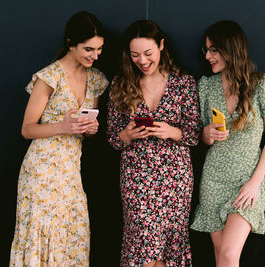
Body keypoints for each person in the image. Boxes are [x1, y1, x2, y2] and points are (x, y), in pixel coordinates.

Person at [10, 11, 109, 266]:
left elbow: (84, 130)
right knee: (43, 237)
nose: (95, 55)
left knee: (71, 237)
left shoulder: (96, 79)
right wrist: (63, 126)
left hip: (70, 173)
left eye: (99, 49)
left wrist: (90, 128)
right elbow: (27, 129)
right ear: (70, 43)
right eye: (89, 49)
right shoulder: (49, 77)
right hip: (41, 172)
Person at [190, 20, 265, 267]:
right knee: (221, 254)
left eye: (214, 50)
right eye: (207, 50)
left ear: (231, 49)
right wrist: (207, 134)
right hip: (213, 179)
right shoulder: (206, 86)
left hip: (246, 181)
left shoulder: (261, 84)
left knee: (230, 254)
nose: (208, 56)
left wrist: (255, 183)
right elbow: (201, 136)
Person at [107, 20, 200, 267]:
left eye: (148, 53)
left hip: (175, 178)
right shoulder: (120, 84)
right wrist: (126, 135)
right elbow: (112, 139)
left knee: (171, 247)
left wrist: (172, 131)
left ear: (161, 45)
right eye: (135, 55)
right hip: (137, 177)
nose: (142, 60)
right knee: (142, 245)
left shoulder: (184, 83)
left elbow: (194, 135)